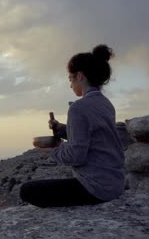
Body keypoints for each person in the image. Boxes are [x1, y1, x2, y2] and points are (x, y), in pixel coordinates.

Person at [19, 44, 125, 207]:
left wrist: (54, 150)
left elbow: (76, 156)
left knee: (27, 191)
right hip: (115, 184)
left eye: (70, 79)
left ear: (80, 76)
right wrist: (61, 128)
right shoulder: (106, 104)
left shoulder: (78, 108)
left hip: (96, 188)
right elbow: (94, 136)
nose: (70, 85)